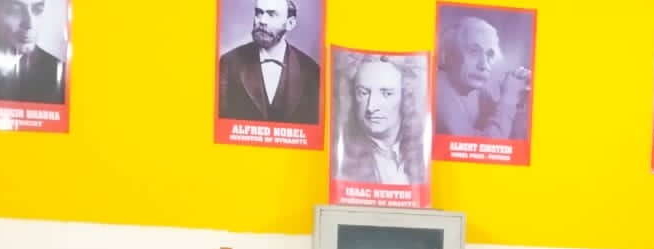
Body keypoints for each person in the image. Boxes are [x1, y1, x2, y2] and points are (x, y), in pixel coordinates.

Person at [217, 0, 322, 125]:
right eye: (259, 13)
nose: (262, 20)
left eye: (271, 14)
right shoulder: (229, 62)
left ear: (290, 23)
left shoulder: (311, 70)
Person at [336, 55, 428, 186]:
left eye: (386, 94)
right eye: (363, 93)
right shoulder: (341, 158)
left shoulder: (422, 152)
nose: (371, 107)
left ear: (404, 97)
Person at [435, 15, 531, 139]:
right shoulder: (440, 90)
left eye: (490, 55)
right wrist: (509, 97)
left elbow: (509, 134)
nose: (484, 65)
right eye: (474, 51)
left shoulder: (476, 91)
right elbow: (483, 146)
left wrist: (518, 98)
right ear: (447, 56)